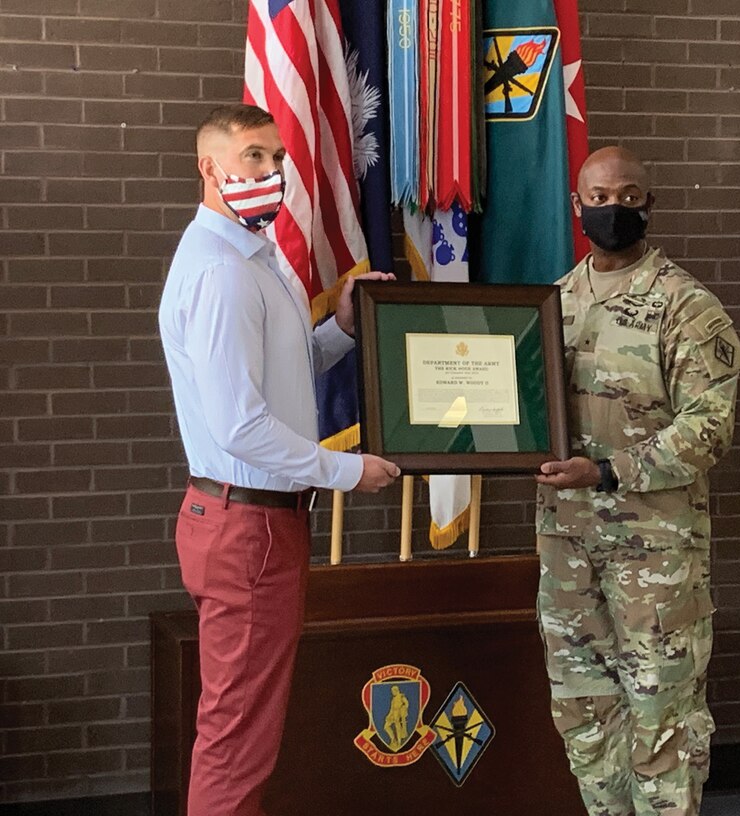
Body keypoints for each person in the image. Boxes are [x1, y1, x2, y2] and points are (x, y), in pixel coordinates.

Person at [158, 104, 400, 816]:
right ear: (211, 168)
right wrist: (350, 472)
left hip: (253, 522)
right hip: (249, 526)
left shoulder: (252, 259)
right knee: (236, 740)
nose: (270, 172)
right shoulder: (223, 273)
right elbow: (240, 425)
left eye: (277, 159)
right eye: (254, 158)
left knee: (242, 729)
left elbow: (281, 372)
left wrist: (343, 330)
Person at [535, 146, 740, 816]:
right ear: (578, 207)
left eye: (629, 196)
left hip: (655, 556)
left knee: (663, 719)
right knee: (584, 713)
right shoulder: (553, 304)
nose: (613, 209)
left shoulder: (686, 306)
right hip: (567, 550)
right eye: (599, 197)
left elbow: (708, 430)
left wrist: (606, 471)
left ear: (648, 205)